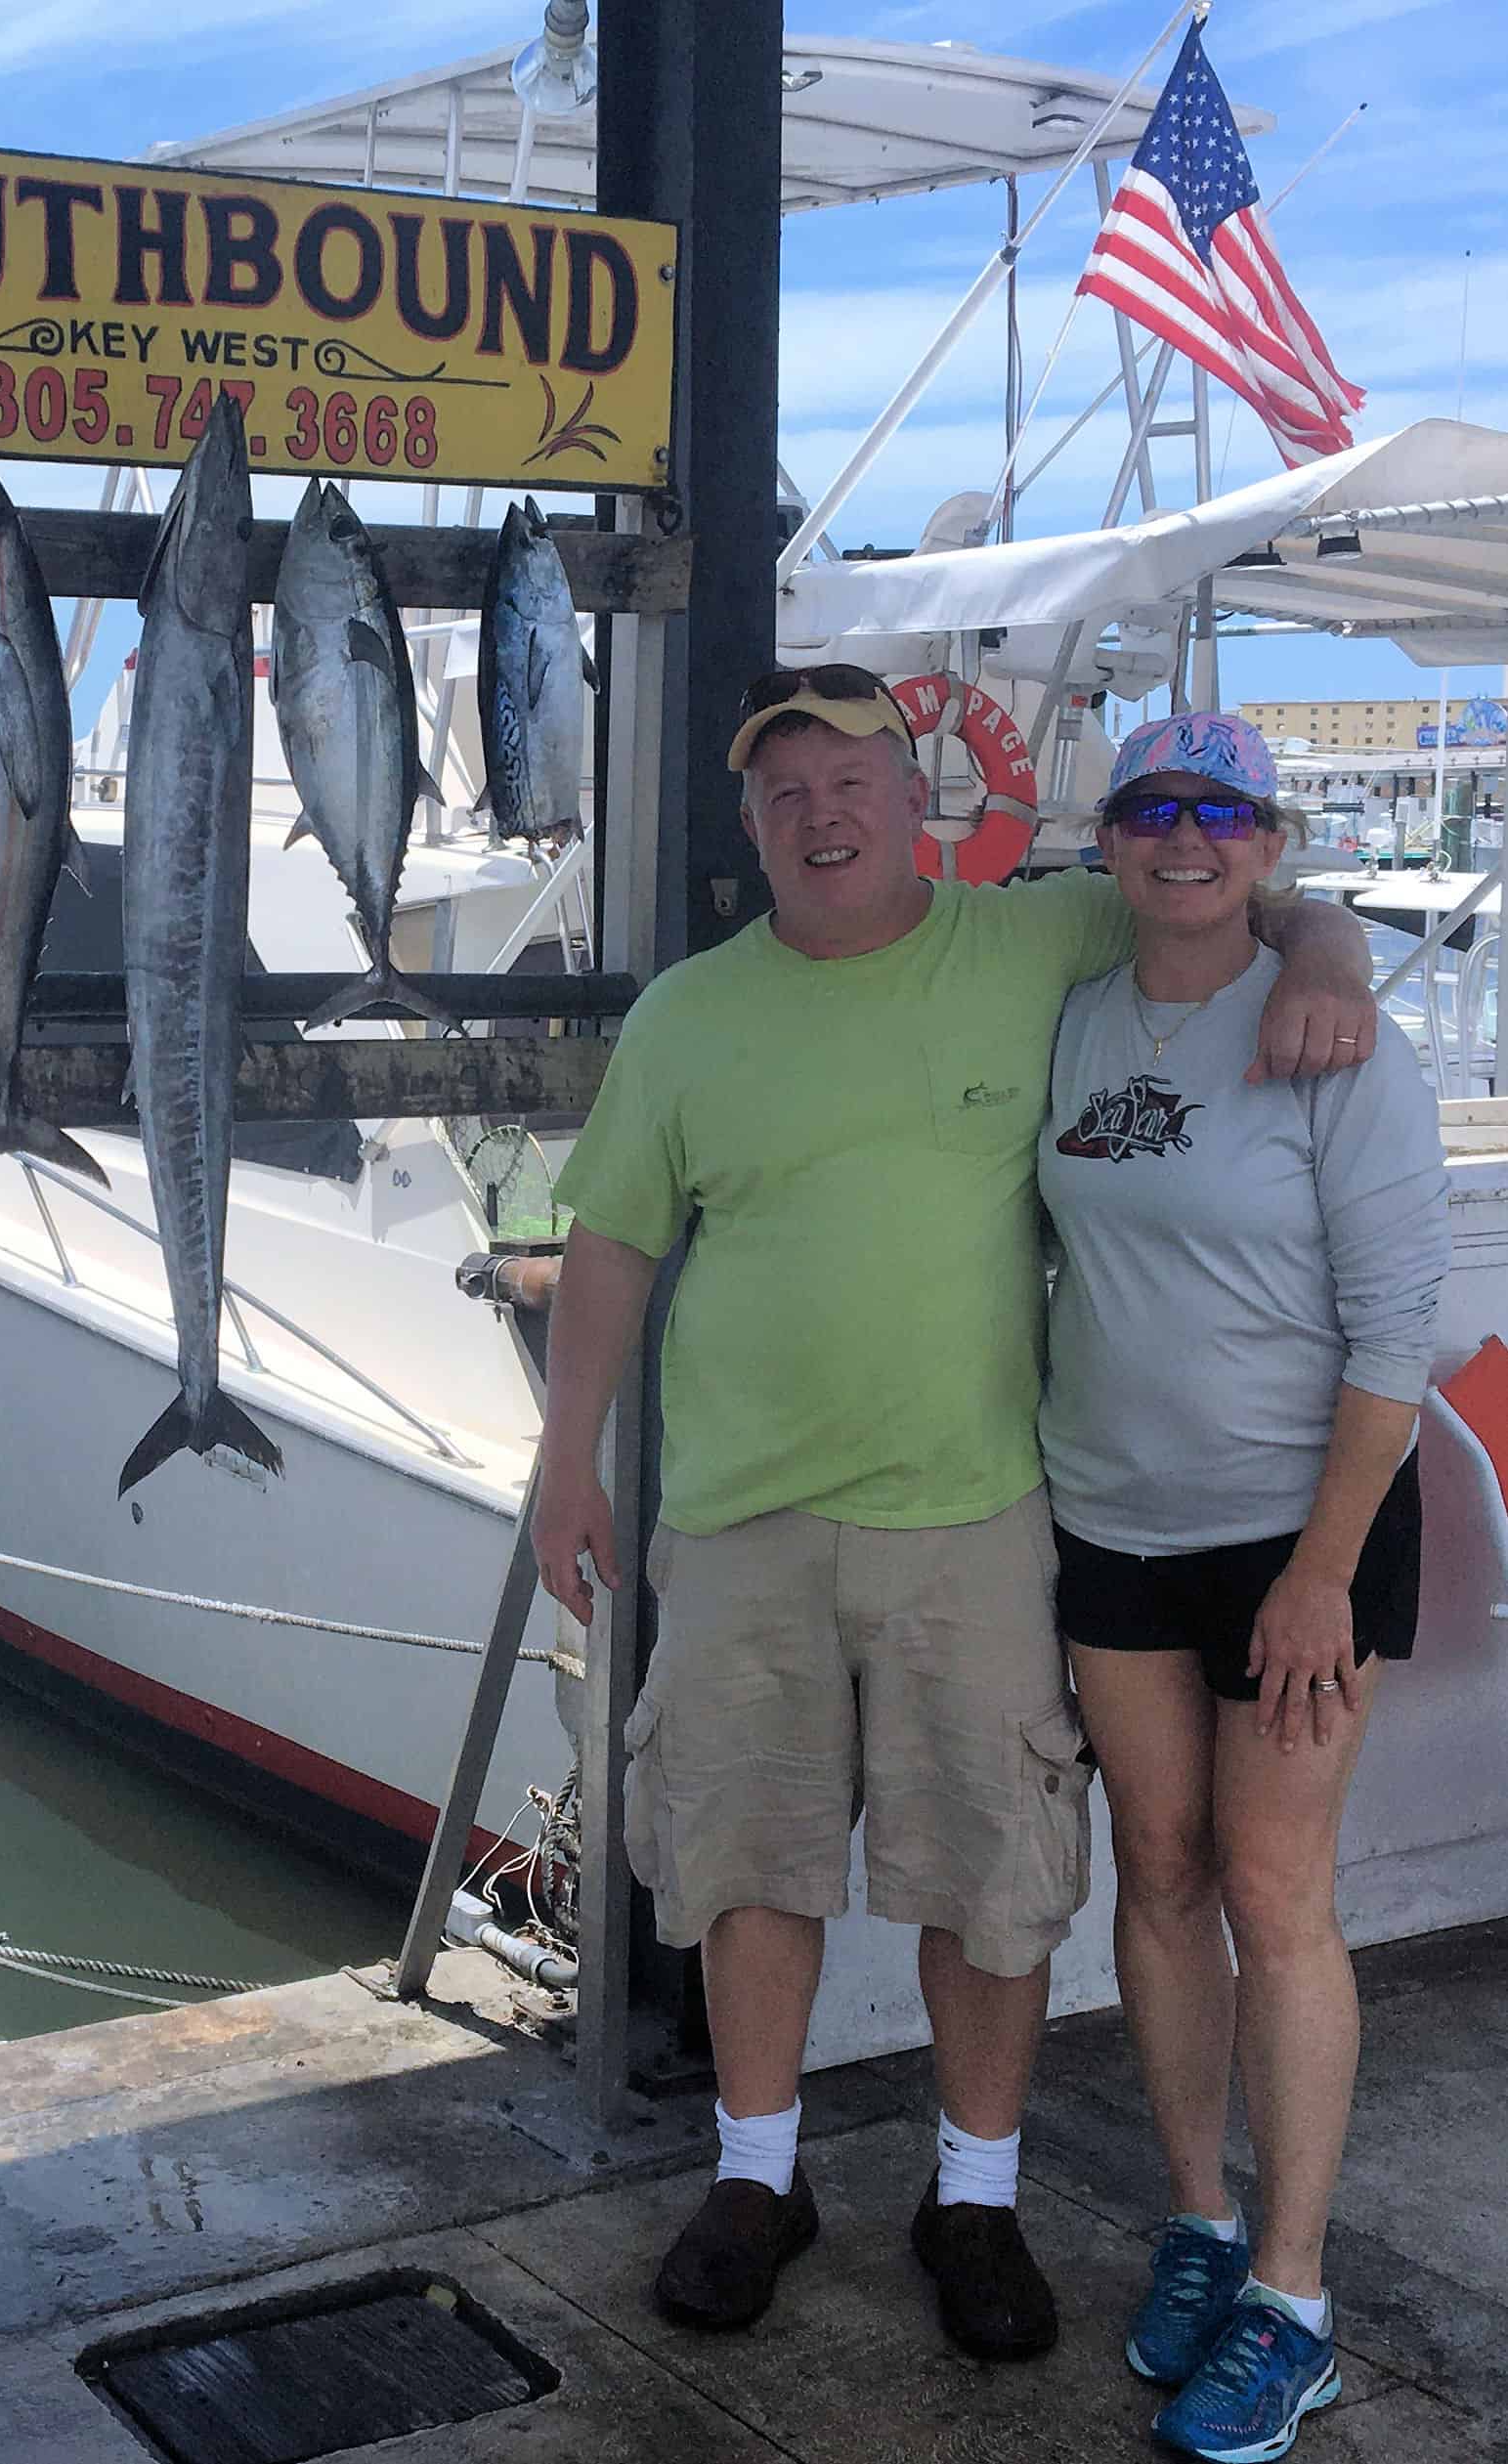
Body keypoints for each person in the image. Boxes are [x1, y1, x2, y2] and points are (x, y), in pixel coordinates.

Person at [532, 666, 1379, 2363]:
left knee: (987, 1878)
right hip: (737, 1515)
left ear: (914, 795)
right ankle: (755, 2176)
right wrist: (565, 1456)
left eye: (850, 779)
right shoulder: (686, 1014)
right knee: (745, 1860)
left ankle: (972, 2194)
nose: (820, 813)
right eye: (784, 793)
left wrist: (1336, 952)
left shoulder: (1029, 937)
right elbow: (613, 1241)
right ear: (754, 823)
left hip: (980, 1515)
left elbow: (1218, 876)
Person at [1039, 713, 1445, 2461]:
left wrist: (1320, 1574)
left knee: (1275, 1893)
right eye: (1151, 810)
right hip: (1105, 1521)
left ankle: (1294, 2300)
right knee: (1157, 1866)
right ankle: (1200, 2219)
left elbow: (1396, 1332)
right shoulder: (1069, 1011)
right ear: (1110, 840)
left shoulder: (1342, 1039)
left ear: (1268, 841)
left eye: (1219, 813)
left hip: (1302, 1535)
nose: (1183, 840)